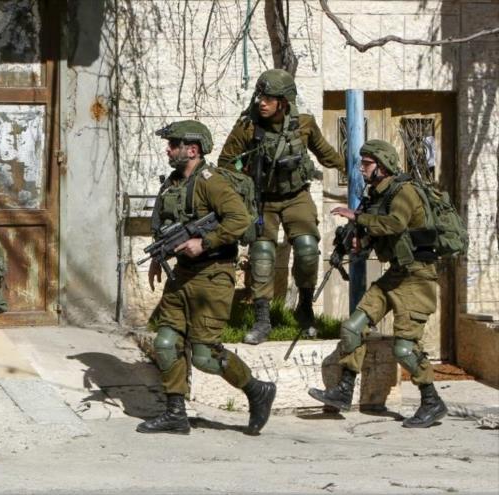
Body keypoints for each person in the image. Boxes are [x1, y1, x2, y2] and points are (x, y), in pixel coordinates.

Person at [138, 120, 276, 436]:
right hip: (182, 276)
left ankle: (257, 390)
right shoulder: (173, 184)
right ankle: (175, 413)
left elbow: (240, 220)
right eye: (169, 144)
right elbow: (170, 227)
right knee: (166, 341)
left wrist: (206, 242)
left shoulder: (211, 182)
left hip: (212, 277)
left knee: (204, 355)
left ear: (193, 149)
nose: (168, 149)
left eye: (174, 144)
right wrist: (159, 259)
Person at [308, 140, 447, 428]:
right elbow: (375, 232)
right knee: (352, 328)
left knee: (404, 349)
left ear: (382, 166)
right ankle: (343, 392)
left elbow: (395, 224)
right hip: (396, 274)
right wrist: (352, 242)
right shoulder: (377, 195)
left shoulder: (404, 191)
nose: (362, 168)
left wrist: (357, 216)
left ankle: (432, 401)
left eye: (367, 163)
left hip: (417, 277)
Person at [218, 69, 344, 344]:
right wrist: (245, 186)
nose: (262, 102)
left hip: (296, 196)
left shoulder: (305, 124)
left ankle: (305, 309)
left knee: (308, 249)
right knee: (262, 254)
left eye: (269, 97)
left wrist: (355, 167)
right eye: (260, 95)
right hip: (262, 199)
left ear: (283, 102)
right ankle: (263, 320)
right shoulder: (247, 127)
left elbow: (326, 154)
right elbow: (225, 163)